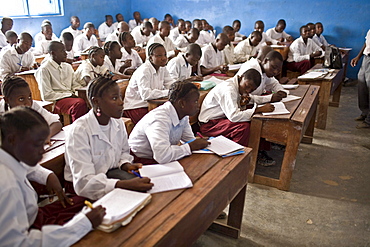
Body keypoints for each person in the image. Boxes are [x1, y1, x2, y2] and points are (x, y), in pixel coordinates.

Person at [0, 107, 105, 246]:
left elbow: (27, 167)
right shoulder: (7, 185)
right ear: (12, 139)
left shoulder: (10, 156)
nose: (42, 151)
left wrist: (48, 175)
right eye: (38, 145)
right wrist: (81, 225)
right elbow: (17, 243)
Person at [64, 76, 154, 200]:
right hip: (88, 187)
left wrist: (124, 164)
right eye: (114, 98)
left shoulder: (118, 123)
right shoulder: (79, 131)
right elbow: (83, 183)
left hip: (111, 175)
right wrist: (122, 185)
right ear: (96, 102)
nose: (121, 102)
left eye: (120, 97)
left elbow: (123, 152)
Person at [129, 80, 209, 164]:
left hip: (160, 157)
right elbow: (162, 156)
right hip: (140, 161)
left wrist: (198, 143)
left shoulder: (182, 115)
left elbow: (189, 140)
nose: (198, 105)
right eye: (195, 101)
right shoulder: (159, 120)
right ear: (182, 103)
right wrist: (190, 146)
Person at [199, 69, 274, 148]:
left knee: (254, 116)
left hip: (222, 119)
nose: (248, 90)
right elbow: (234, 116)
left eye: (252, 90)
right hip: (210, 125)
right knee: (243, 128)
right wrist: (258, 109)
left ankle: (258, 149)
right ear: (241, 77)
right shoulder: (229, 90)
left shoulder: (239, 86)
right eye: (247, 86)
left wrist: (270, 98)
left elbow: (252, 99)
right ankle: (235, 153)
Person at [35, 41, 88, 122]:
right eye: (62, 51)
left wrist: (79, 92)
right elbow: (46, 95)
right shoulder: (44, 69)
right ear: (53, 53)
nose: (66, 54)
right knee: (79, 104)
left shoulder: (67, 66)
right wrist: (69, 95)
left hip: (70, 96)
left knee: (89, 99)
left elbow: (74, 85)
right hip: (56, 101)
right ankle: (78, 129)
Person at [124, 43, 175, 124]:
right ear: (151, 57)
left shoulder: (162, 68)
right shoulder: (144, 71)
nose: (164, 58)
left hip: (152, 104)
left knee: (173, 114)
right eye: (159, 56)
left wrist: (178, 88)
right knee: (159, 121)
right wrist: (168, 92)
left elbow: (171, 84)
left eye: (165, 55)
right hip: (136, 107)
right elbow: (146, 94)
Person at [0, 76, 62, 142]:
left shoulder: (33, 106)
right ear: (7, 100)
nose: (28, 103)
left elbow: (56, 123)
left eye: (29, 97)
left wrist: (47, 136)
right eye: (21, 99)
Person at [350, 29, 370, 128]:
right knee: (362, 85)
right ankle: (365, 112)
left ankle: (369, 121)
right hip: (366, 58)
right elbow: (366, 43)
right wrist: (358, 57)